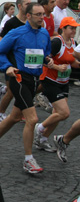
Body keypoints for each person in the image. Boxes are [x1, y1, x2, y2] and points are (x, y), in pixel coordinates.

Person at [0, 2, 54, 174]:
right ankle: (28, 160)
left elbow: (44, 53)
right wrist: (7, 66)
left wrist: (47, 60)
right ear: (28, 16)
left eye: (43, 14)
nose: (41, 18)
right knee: (32, 119)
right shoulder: (16, 33)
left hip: (34, 80)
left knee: (15, 117)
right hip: (19, 78)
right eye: (38, 14)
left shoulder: (44, 33)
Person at [33, 17, 79, 151]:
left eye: (75, 28)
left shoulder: (73, 43)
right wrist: (58, 68)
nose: (74, 31)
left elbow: (73, 62)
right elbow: (44, 59)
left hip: (63, 82)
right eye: (71, 28)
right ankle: (40, 127)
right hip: (50, 80)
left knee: (57, 114)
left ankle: (42, 140)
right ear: (63, 28)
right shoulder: (57, 42)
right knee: (64, 113)